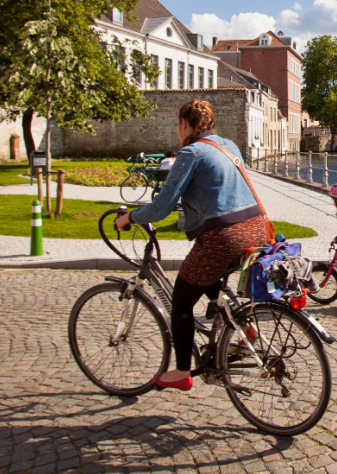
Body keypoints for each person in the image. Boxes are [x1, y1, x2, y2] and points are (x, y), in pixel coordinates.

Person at [114, 100, 270, 391]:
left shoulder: (190, 153)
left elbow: (162, 207)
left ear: (184, 124)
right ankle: (242, 327)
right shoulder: (230, 146)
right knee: (207, 275)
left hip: (223, 238)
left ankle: (182, 372)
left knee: (182, 302)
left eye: (178, 125)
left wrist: (129, 219)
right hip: (256, 230)